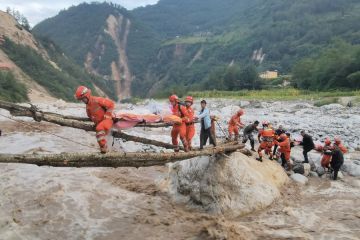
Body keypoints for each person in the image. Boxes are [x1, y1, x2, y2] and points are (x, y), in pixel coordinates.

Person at [75, 86, 114, 153]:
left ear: (87, 95)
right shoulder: (87, 107)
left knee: (99, 129)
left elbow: (111, 104)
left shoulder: (97, 100)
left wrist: (108, 115)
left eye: (83, 99)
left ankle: (104, 149)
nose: (83, 101)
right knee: (98, 129)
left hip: (107, 120)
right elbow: (90, 116)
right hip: (100, 123)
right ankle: (105, 150)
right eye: (81, 99)